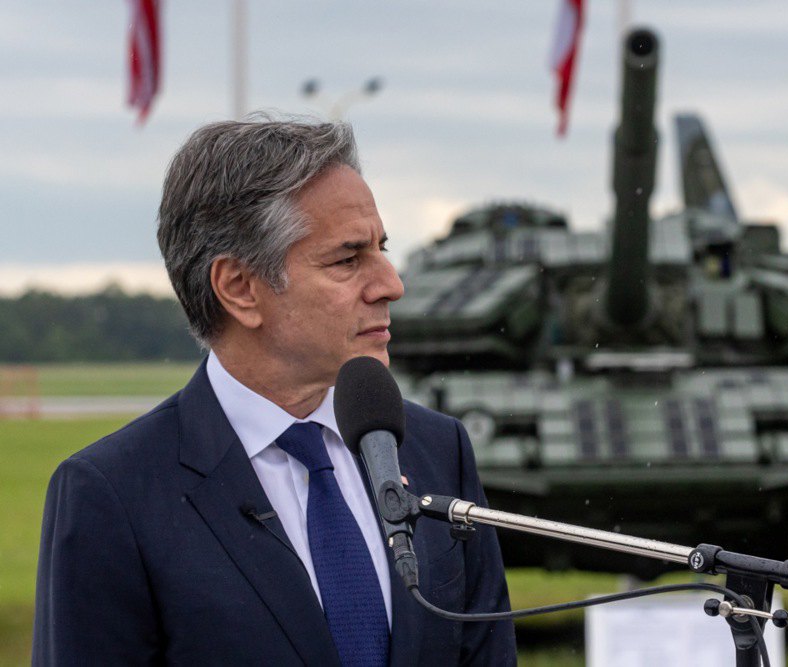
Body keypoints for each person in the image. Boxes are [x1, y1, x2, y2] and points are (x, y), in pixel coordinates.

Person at [32, 117, 517, 666]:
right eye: (347, 259)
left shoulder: (437, 448)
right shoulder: (112, 495)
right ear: (239, 289)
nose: (391, 284)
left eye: (382, 248)